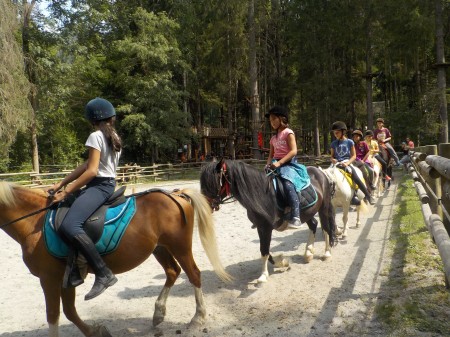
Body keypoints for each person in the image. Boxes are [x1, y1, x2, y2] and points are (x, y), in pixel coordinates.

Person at [47, 97, 122, 301]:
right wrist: (61, 184)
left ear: (92, 118)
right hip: (107, 184)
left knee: (70, 225)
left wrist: (67, 192)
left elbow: (91, 171)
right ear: (111, 117)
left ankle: (103, 272)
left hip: (99, 186)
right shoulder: (112, 136)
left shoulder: (96, 136)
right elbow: (86, 165)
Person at [265, 106, 310, 230]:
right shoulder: (273, 139)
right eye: (270, 120)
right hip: (275, 164)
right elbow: (270, 155)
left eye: (274, 119)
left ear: (282, 119)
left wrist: (279, 163)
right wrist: (268, 164)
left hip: (288, 164)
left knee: (287, 183)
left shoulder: (288, 132)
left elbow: (294, 151)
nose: (272, 122)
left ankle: (296, 216)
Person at [330, 121, 375, 205]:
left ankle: (366, 195)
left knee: (354, 175)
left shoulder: (350, 142)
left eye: (337, 132)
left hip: (348, 161)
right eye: (334, 133)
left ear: (343, 132)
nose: (335, 134)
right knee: (328, 175)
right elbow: (332, 156)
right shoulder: (333, 144)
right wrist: (332, 159)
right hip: (337, 163)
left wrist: (347, 163)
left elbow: (354, 156)